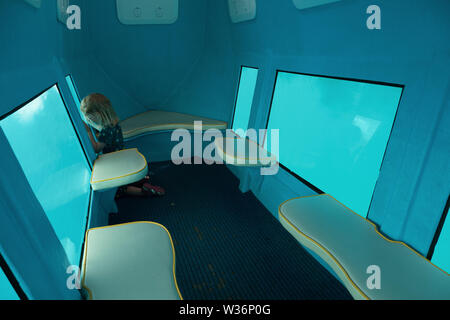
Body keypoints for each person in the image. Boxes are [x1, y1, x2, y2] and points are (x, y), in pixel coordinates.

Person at [80, 93, 165, 197]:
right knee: (129, 178)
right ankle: (143, 181)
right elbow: (105, 137)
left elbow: (96, 148)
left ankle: (143, 192)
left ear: (98, 115)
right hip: (120, 153)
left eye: (89, 117)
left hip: (115, 160)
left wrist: (88, 131)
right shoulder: (112, 124)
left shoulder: (106, 131)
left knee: (120, 188)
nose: (88, 120)